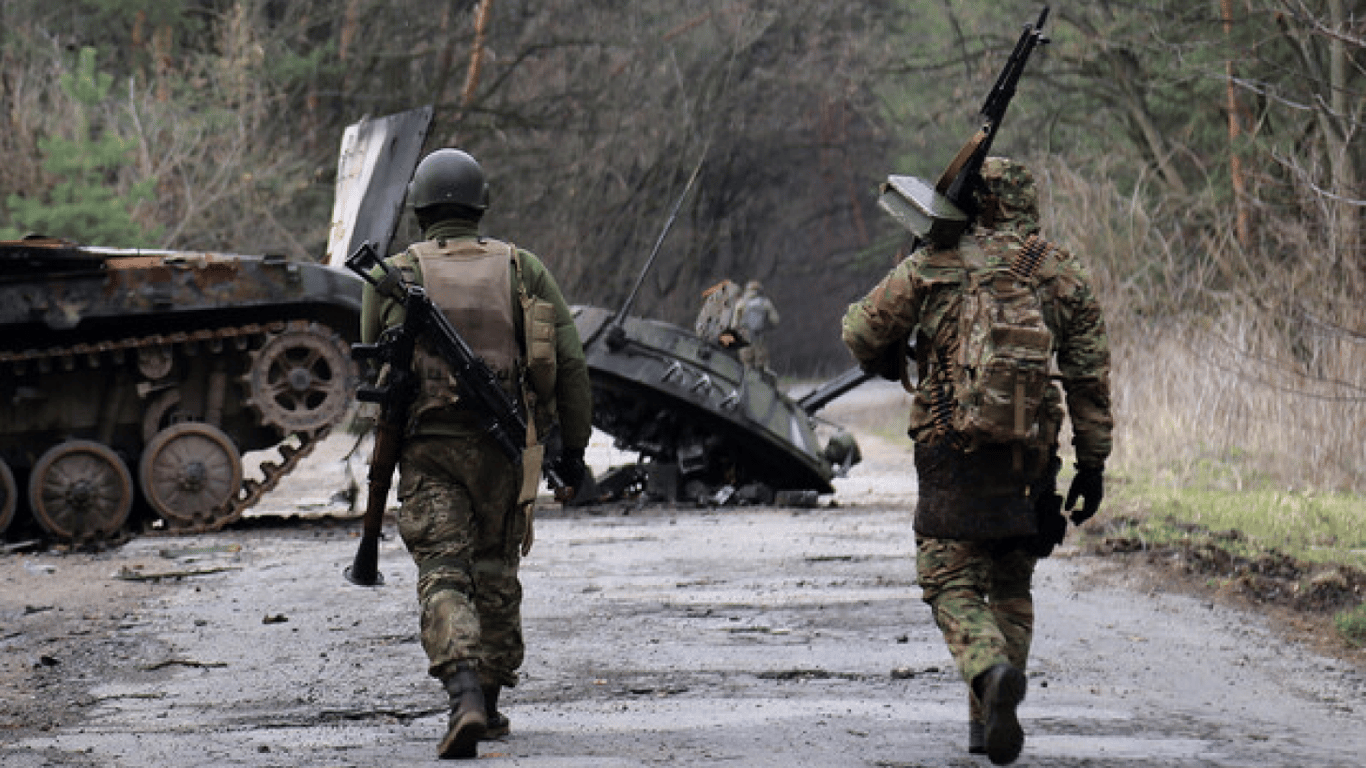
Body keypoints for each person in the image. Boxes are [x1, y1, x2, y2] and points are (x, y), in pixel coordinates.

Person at [841, 157, 1112, 765]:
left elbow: (860, 332)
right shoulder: (1061, 270)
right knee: (1012, 581)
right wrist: (1092, 463)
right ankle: (989, 710)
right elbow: (1088, 375)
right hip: (1031, 458)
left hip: (950, 453)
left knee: (949, 580)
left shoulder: (934, 263)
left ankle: (988, 674)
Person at [359, 148, 593, 760]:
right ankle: (486, 704)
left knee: (443, 571)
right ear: (479, 207)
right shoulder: (523, 268)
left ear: (419, 210)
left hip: (429, 452)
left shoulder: (393, 276)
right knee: (494, 569)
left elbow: (376, 371)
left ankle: (461, 692)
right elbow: (569, 366)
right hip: (505, 449)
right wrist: (574, 448)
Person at [734, 280, 780, 369]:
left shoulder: (741, 302)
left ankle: (747, 377)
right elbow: (775, 320)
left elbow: (735, 321)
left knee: (746, 360)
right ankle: (760, 378)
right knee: (761, 359)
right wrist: (770, 327)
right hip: (760, 334)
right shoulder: (765, 302)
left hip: (745, 334)